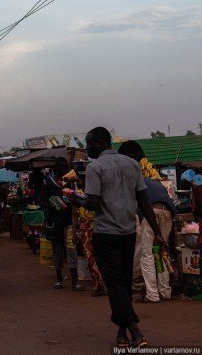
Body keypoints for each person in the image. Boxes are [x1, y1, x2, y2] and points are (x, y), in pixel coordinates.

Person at [70, 127, 166, 348]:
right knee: (123, 283)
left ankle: (136, 331)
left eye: (89, 143)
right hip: (128, 233)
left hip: (106, 234)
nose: (87, 148)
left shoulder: (95, 167)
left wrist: (77, 200)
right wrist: (157, 232)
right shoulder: (132, 164)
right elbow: (144, 201)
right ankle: (121, 334)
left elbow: (92, 204)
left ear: (102, 143)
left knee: (115, 285)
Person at [118, 140, 176, 303]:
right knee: (161, 251)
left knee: (147, 254)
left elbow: (138, 206)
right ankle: (165, 291)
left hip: (152, 211)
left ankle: (152, 294)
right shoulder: (156, 182)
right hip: (168, 211)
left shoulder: (137, 181)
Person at [40, 159, 84, 291]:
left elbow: (77, 200)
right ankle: (59, 279)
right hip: (55, 222)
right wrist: (53, 204)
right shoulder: (48, 182)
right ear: (56, 169)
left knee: (71, 250)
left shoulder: (71, 182)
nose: (64, 171)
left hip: (69, 222)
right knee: (57, 251)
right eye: (62, 168)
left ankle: (75, 282)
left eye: (66, 168)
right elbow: (40, 201)